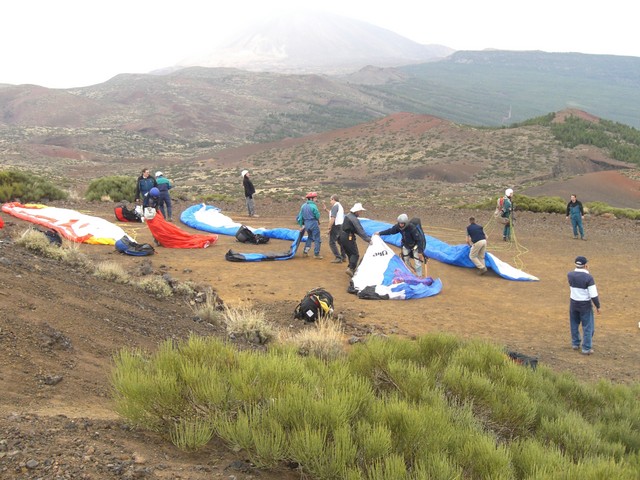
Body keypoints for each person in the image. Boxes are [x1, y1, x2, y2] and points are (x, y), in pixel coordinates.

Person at [568, 256, 601, 355]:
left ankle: (575, 343)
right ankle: (586, 348)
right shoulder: (588, 278)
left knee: (574, 323)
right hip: (585, 304)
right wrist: (597, 306)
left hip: (573, 303)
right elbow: (593, 294)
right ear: (585, 265)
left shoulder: (570, 275)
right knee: (587, 326)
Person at [340, 203, 371, 277]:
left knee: (350, 253)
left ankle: (350, 267)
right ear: (356, 211)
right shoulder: (354, 219)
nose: (360, 213)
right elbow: (360, 230)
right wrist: (368, 240)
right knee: (355, 254)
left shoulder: (348, 216)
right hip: (348, 237)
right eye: (360, 211)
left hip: (342, 236)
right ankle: (351, 269)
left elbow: (356, 230)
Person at [296, 192, 323, 259]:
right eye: (315, 198)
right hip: (313, 223)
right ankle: (316, 254)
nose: (316, 199)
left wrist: (301, 226)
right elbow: (317, 215)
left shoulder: (303, 206)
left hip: (307, 224)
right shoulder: (313, 206)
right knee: (317, 238)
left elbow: (300, 217)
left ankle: (305, 252)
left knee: (310, 237)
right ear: (311, 198)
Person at [323, 194, 346, 263]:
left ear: (333, 199)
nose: (330, 202)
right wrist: (326, 210)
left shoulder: (335, 206)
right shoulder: (339, 206)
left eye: (330, 200)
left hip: (335, 226)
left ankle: (338, 258)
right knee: (341, 242)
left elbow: (333, 218)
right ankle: (343, 256)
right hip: (341, 226)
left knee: (332, 242)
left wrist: (329, 227)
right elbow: (332, 213)